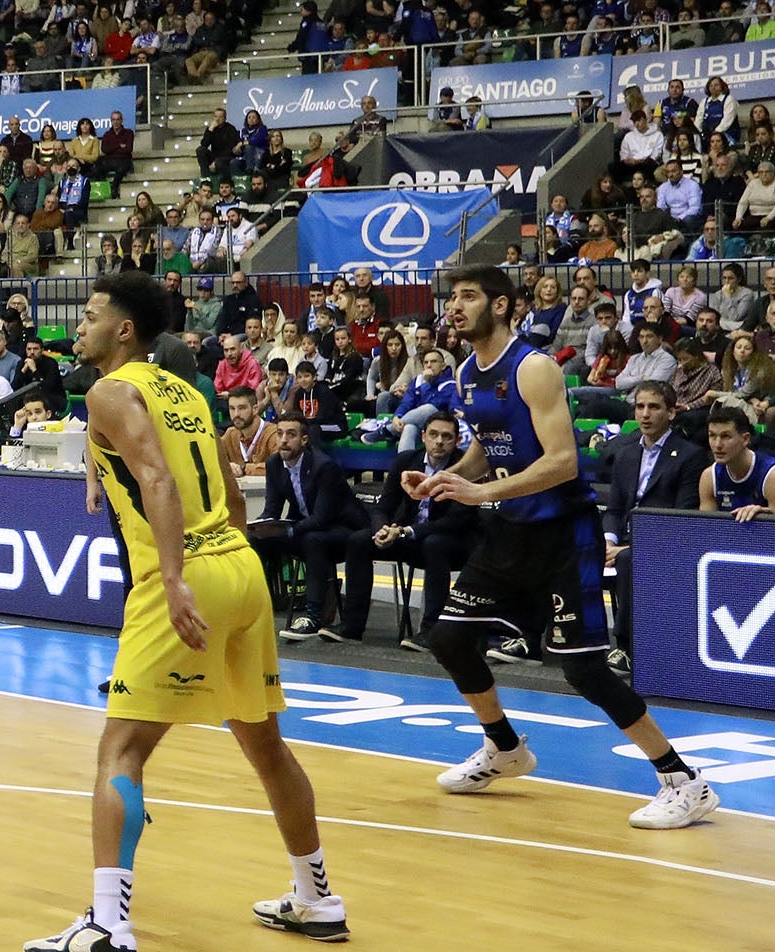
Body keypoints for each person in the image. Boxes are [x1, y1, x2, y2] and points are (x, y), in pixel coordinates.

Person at [23, 273, 344, 952]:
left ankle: (108, 928)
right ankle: (316, 897)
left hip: (186, 571)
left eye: (90, 316)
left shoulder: (110, 392)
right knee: (265, 744)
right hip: (238, 564)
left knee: (121, 750)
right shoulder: (185, 391)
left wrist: (173, 579)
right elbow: (226, 489)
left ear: (124, 330)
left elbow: (157, 479)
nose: (78, 327)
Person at [411, 265, 716, 828]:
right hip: (509, 531)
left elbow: (562, 462)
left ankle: (683, 780)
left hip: (561, 534)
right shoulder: (464, 373)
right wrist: (449, 477)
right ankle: (504, 747)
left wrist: (482, 492)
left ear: (501, 305)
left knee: (583, 670)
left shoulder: (533, 367)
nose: (455, 306)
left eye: (469, 296)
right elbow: (490, 446)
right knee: (448, 637)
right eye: (453, 297)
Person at [600, 380, 706, 647]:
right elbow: (614, 509)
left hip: (663, 541)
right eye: (640, 407)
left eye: (654, 407)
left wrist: (626, 547)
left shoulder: (690, 456)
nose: (645, 414)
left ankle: (625, 647)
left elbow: (681, 517)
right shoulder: (625, 455)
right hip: (623, 540)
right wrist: (609, 541)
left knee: (627, 559)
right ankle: (573, 639)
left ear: (671, 413)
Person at [256, 416, 374, 644]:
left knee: (313, 539)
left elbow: (321, 518)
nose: (283, 440)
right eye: (279, 434)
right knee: (256, 540)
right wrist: (261, 527)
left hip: (344, 529)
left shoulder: (323, 466)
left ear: (304, 439)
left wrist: (288, 530)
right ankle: (256, 607)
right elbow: (272, 509)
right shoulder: (273, 464)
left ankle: (313, 617)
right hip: (308, 527)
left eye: (291, 434)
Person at [373, 409, 480, 634]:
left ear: (457, 440)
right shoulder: (406, 461)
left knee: (435, 544)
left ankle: (430, 631)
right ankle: (351, 628)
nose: (439, 441)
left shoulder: (466, 466)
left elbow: (455, 521)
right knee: (358, 540)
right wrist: (382, 529)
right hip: (410, 536)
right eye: (433, 434)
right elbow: (383, 507)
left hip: (454, 540)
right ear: (423, 436)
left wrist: (406, 531)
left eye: (446, 436)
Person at [698, 402, 775, 519]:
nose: (717, 445)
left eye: (726, 436)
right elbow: (707, 527)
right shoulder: (709, 477)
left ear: (745, 439)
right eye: (712, 436)